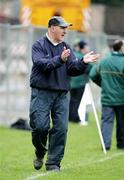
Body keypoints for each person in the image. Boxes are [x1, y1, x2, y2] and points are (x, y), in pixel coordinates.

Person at [29, 16, 99, 172]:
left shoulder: (65, 46)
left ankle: (53, 163)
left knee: (61, 129)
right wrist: (60, 59)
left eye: (66, 28)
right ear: (52, 27)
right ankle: (40, 151)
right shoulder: (38, 45)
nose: (66, 31)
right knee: (40, 127)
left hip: (61, 94)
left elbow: (72, 68)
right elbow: (42, 64)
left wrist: (82, 62)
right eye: (63, 28)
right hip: (42, 92)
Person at [89, 40, 124, 151]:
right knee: (122, 123)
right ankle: (121, 144)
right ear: (121, 48)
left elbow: (92, 74)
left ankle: (106, 145)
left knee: (107, 122)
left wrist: (103, 84)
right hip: (121, 99)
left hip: (106, 98)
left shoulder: (104, 61)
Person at [69, 40, 92, 124]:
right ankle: (75, 118)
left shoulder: (72, 55)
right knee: (77, 101)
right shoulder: (84, 57)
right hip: (80, 83)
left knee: (72, 100)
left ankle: (70, 117)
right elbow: (89, 69)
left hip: (71, 82)